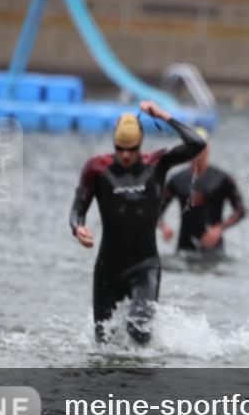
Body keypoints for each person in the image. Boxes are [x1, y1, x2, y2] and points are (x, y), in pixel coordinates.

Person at [70, 101, 207, 344]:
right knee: (104, 343)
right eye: (119, 148)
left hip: (145, 267)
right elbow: (78, 208)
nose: (125, 155)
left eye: (131, 149)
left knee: (139, 333)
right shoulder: (97, 169)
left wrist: (163, 115)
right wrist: (78, 227)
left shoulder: (157, 164)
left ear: (140, 143)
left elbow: (197, 144)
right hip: (107, 270)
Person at [158, 128, 245, 256]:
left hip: (215, 253)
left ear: (207, 149)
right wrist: (164, 227)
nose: (195, 154)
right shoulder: (177, 180)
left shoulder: (222, 179)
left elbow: (240, 211)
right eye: (192, 149)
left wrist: (219, 229)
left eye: (199, 149)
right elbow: (155, 210)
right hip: (183, 251)